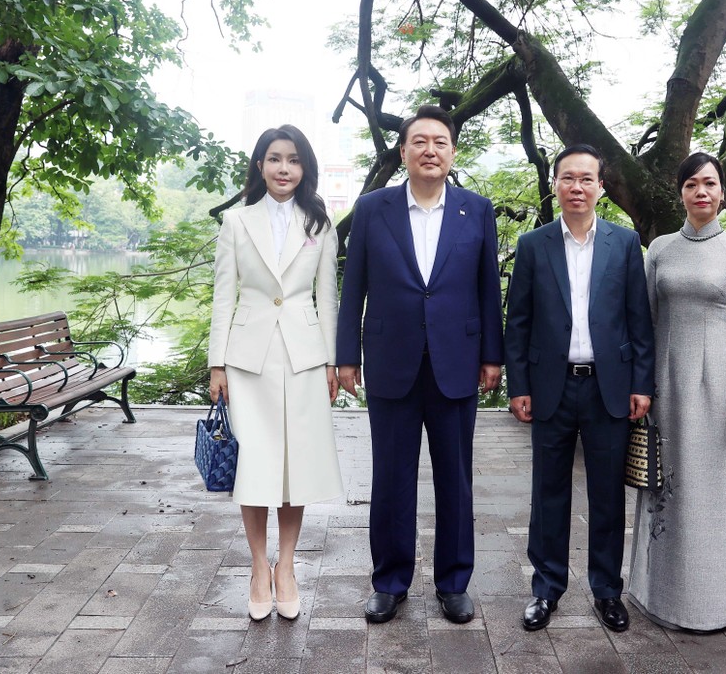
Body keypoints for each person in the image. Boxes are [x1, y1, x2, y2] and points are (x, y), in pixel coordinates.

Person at [336, 105, 504, 625]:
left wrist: (493, 355)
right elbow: (354, 286)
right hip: (390, 361)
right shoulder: (372, 209)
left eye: (441, 142)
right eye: (420, 142)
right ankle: (389, 582)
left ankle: (454, 582)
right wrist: (346, 355)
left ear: (453, 153)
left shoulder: (476, 211)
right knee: (390, 478)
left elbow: (486, 287)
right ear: (404, 151)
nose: (430, 150)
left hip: (456, 361)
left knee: (455, 477)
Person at [505, 144, 655, 633]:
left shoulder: (625, 243)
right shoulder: (533, 245)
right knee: (548, 493)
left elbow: (639, 320)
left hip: (607, 388)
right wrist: (519, 385)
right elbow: (518, 322)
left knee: (607, 495)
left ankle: (607, 591)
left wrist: (641, 383)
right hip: (551, 385)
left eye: (586, 179)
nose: (576, 187)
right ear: (555, 184)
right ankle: (545, 590)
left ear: (601, 187)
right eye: (567, 178)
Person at [208, 125, 343, 622]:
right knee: (257, 465)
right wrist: (216, 362)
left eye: (293, 160)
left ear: (304, 167)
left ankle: (286, 566)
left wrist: (332, 359)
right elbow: (225, 294)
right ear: (260, 166)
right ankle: (256, 566)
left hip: (305, 356)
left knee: (295, 468)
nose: (283, 168)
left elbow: (326, 296)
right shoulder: (237, 222)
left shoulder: (319, 223)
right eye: (274, 159)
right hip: (247, 359)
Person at [627, 151, 726, 632]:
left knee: (712, 493)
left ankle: (714, 602)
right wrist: (640, 385)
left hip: (720, 385)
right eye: (691, 184)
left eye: (709, 183)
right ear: (681, 192)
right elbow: (641, 322)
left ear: (722, 192)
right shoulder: (660, 248)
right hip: (665, 381)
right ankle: (658, 596)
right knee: (665, 487)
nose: (700, 191)